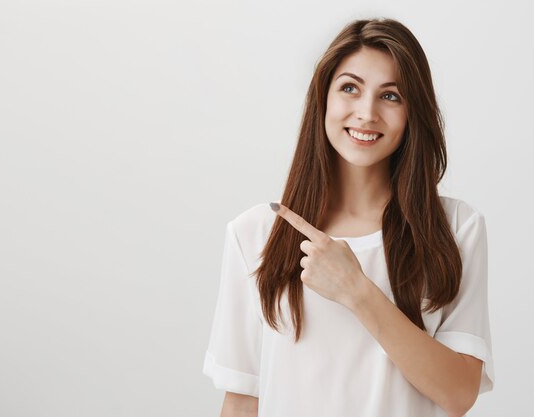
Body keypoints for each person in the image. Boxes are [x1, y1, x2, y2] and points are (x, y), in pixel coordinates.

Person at [203, 17, 495, 417]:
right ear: (323, 97)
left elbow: (459, 393)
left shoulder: (455, 228)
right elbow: (242, 399)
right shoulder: (254, 234)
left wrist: (357, 291)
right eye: (350, 88)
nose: (367, 113)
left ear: (413, 113)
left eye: (390, 96)